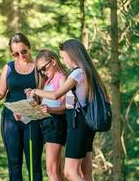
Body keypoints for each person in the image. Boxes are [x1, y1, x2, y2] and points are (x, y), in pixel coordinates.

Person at [29, 39, 109, 181]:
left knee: (70, 172)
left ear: (73, 54)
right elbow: (69, 104)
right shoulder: (88, 72)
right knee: (86, 172)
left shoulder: (77, 73)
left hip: (77, 124)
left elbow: (56, 94)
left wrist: (36, 91)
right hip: (86, 124)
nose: (64, 61)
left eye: (64, 57)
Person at [0, 33, 44, 180]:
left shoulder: (39, 67)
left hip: (32, 119)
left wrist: (35, 97)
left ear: (29, 47)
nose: (20, 56)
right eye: (15, 53)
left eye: (23, 51)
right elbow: (0, 93)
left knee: (34, 164)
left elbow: (43, 95)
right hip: (10, 120)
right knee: (14, 164)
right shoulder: (9, 67)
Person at [25, 49, 68, 181]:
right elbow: (42, 107)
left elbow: (67, 107)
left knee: (52, 170)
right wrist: (25, 113)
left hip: (56, 123)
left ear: (53, 62)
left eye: (44, 68)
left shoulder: (62, 79)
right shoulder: (47, 82)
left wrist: (51, 110)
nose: (43, 72)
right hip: (46, 124)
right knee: (55, 170)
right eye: (40, 71)